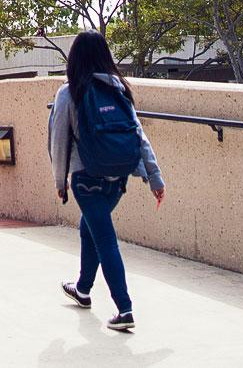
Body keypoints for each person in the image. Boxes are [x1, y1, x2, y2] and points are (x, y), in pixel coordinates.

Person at [49, 30, 165, 332]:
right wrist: (154, 176)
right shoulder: (118, 88)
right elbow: (139, 135)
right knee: (89, 228)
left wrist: (59, 180)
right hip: (117, 180)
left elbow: (58, 140)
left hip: (87, 180)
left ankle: (124, 309)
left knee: (105, 240)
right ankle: (83, 289)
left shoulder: (69, 92)